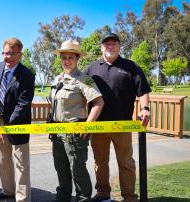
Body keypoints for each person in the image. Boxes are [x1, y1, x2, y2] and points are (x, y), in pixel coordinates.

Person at [85, 33, 151, 202]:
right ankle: (103, 193)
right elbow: (81, 93)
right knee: (100, 162)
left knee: (126, 163)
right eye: (106, 44)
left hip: (123, 125)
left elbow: (142, 90)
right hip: (98, 126)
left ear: (119, 47)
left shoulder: (130, 66)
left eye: (113, 43)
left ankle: (129, 197)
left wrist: (145, 108)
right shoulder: (91, 68)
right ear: (101, 47)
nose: (110, 46)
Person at [49, 40, 104, 202]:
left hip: (75, 133)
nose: (66, 61)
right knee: (61, 168)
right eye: (63, 57)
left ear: (77, 58)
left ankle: (83, 198)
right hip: (57, 132)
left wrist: (88, 125)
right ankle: (63, 197)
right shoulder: (57, 79)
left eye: (70, 57)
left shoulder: (85, 79)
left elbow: (99, 102)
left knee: (77, 169)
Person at [0, 37, 35, 202]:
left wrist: (8, 125)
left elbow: (23, 103)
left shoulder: (27, 74)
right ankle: (8, 191)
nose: (7, 57)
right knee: (3, 159)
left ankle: (22, 198)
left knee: (21, 162)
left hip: (18, 124)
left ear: (20, 54)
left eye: (11, 54)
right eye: (5, 53)